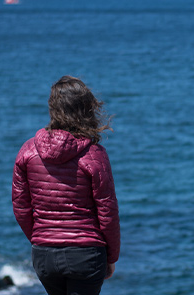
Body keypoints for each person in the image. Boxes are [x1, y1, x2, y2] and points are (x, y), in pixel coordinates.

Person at [13, 76, 120, 295]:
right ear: (86, 110)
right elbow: (107, 211)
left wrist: (41, 238)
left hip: (44, 254)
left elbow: (21, 206)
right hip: (86, 254)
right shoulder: (94, 154)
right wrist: (112, 257)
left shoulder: (27, 150)